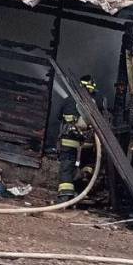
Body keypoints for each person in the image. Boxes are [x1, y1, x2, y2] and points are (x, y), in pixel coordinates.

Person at [56, 75, 99, 204]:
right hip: (86, 141)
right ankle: (81, 191)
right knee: (87, 165)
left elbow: (58, 116)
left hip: (69, 140)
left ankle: (66, 195)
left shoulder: (68, 100)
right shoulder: (93, 103)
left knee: (67, 165)